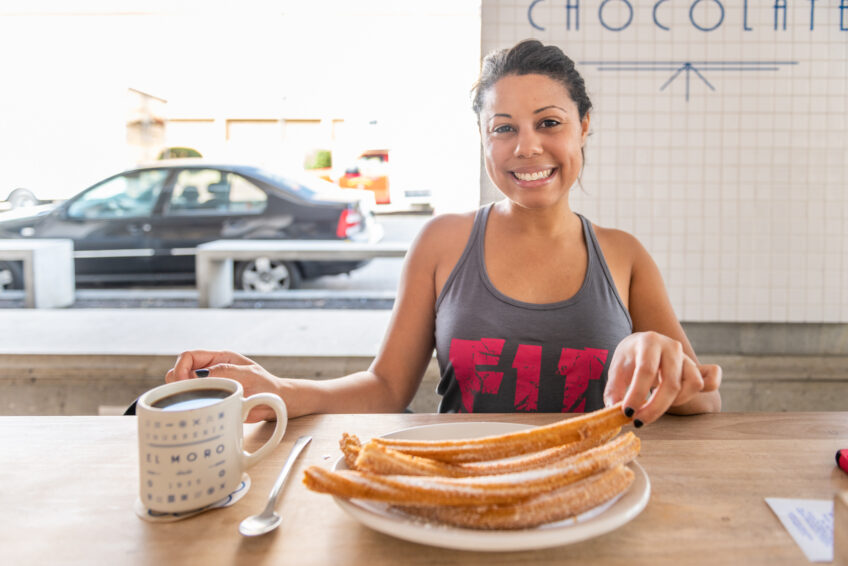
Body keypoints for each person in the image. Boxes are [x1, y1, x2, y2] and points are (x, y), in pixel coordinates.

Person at [166, 39, 721, 425]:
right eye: (503, 129)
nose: (526, 147)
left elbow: (705, 402)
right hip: (459, 490)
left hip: (592, 494)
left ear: (584, 126)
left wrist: (661, 356)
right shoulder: (441, 242)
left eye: (549, 123)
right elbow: (386, 388)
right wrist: (283, 391)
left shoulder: (623, 255)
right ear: (483, 139)